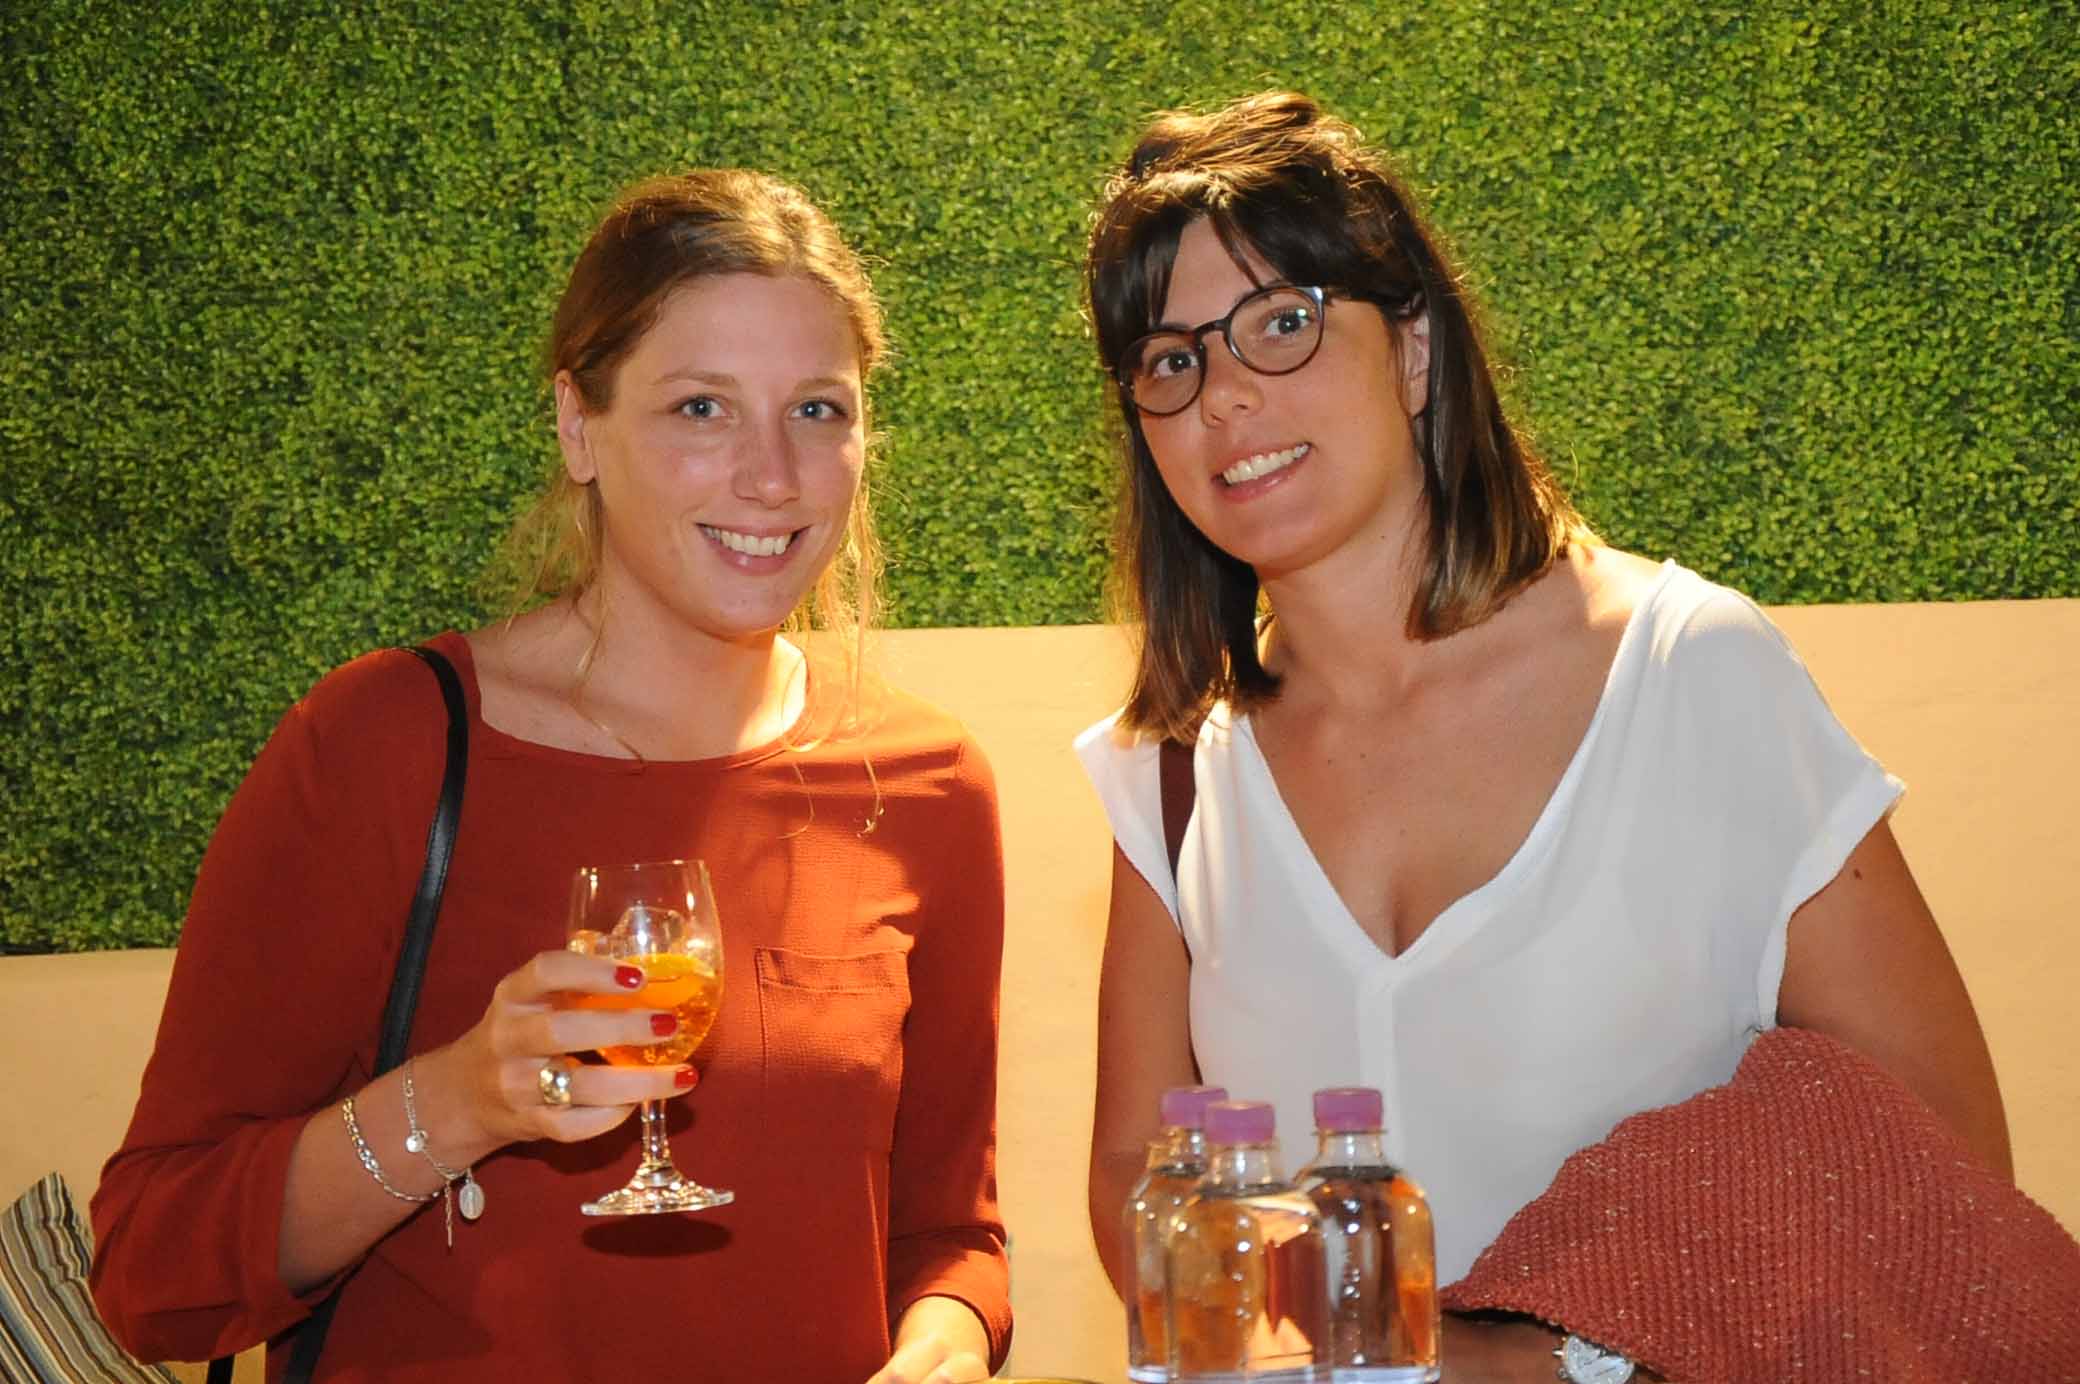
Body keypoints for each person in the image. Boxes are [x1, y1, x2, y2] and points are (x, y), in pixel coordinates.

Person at [1075, 92, 2013, 1379]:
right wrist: (1371, 1345)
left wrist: (1545, 1356)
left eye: (1281, 322)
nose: (1224, 396)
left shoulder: (1688, 673)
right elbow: (1137, 1176)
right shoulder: (1172, 767)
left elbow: (1944, 1159)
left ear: (1413, 349)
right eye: (1169, 360)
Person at [91, 170, 1009, 1384]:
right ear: (579, 425)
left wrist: (945, 1346)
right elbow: (153, 1268)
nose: (773, 476)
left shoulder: (928, 784)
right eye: (700, 408)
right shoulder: (388, 743)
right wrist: (462, 1101)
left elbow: (949, 1236)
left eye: (817, 410)